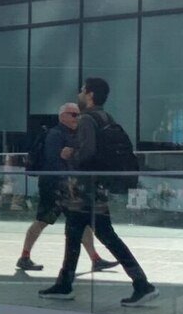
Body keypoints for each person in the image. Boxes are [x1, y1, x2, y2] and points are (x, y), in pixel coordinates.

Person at [39, 77, 157, 306]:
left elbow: (87, 153)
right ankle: (66, 283)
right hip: (98, 188)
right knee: (86, 233)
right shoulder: (106, 118)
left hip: (84, 190)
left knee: (90, 234)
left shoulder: (86, 119)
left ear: (90, 94)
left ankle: (141, 284)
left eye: (82, 90)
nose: (79, 94)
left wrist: (70, 154)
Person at [16, 103, 118, 274]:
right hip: (54, 188)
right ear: (62, 116)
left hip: (68, 188)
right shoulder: (55, 135)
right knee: (43, 221)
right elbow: (54, 163)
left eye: (78, 115)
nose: (77, 118)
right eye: (73, 114)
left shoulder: (71, 134)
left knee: (81, 221)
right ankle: (24, 256)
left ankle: (95, 259)